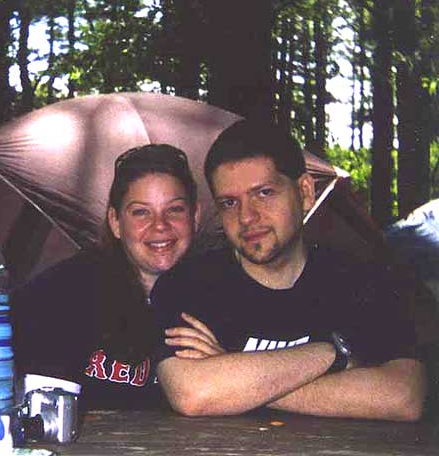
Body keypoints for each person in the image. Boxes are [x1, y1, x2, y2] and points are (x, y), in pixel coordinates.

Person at [151, 120, 427, 421]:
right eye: (229, 203)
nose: (246, 217)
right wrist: (333, 355)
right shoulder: (188, 285)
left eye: (264, 193)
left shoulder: (361, 279)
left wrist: (235, 376)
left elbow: (404, 397)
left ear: (305, 192)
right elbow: (194, 394)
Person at [13, 143, 203, 410]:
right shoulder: (63, 292)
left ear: (195, 216)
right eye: (141, 212)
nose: (160, 225)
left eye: (175, 210)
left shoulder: (219, 292)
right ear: (115, 222)